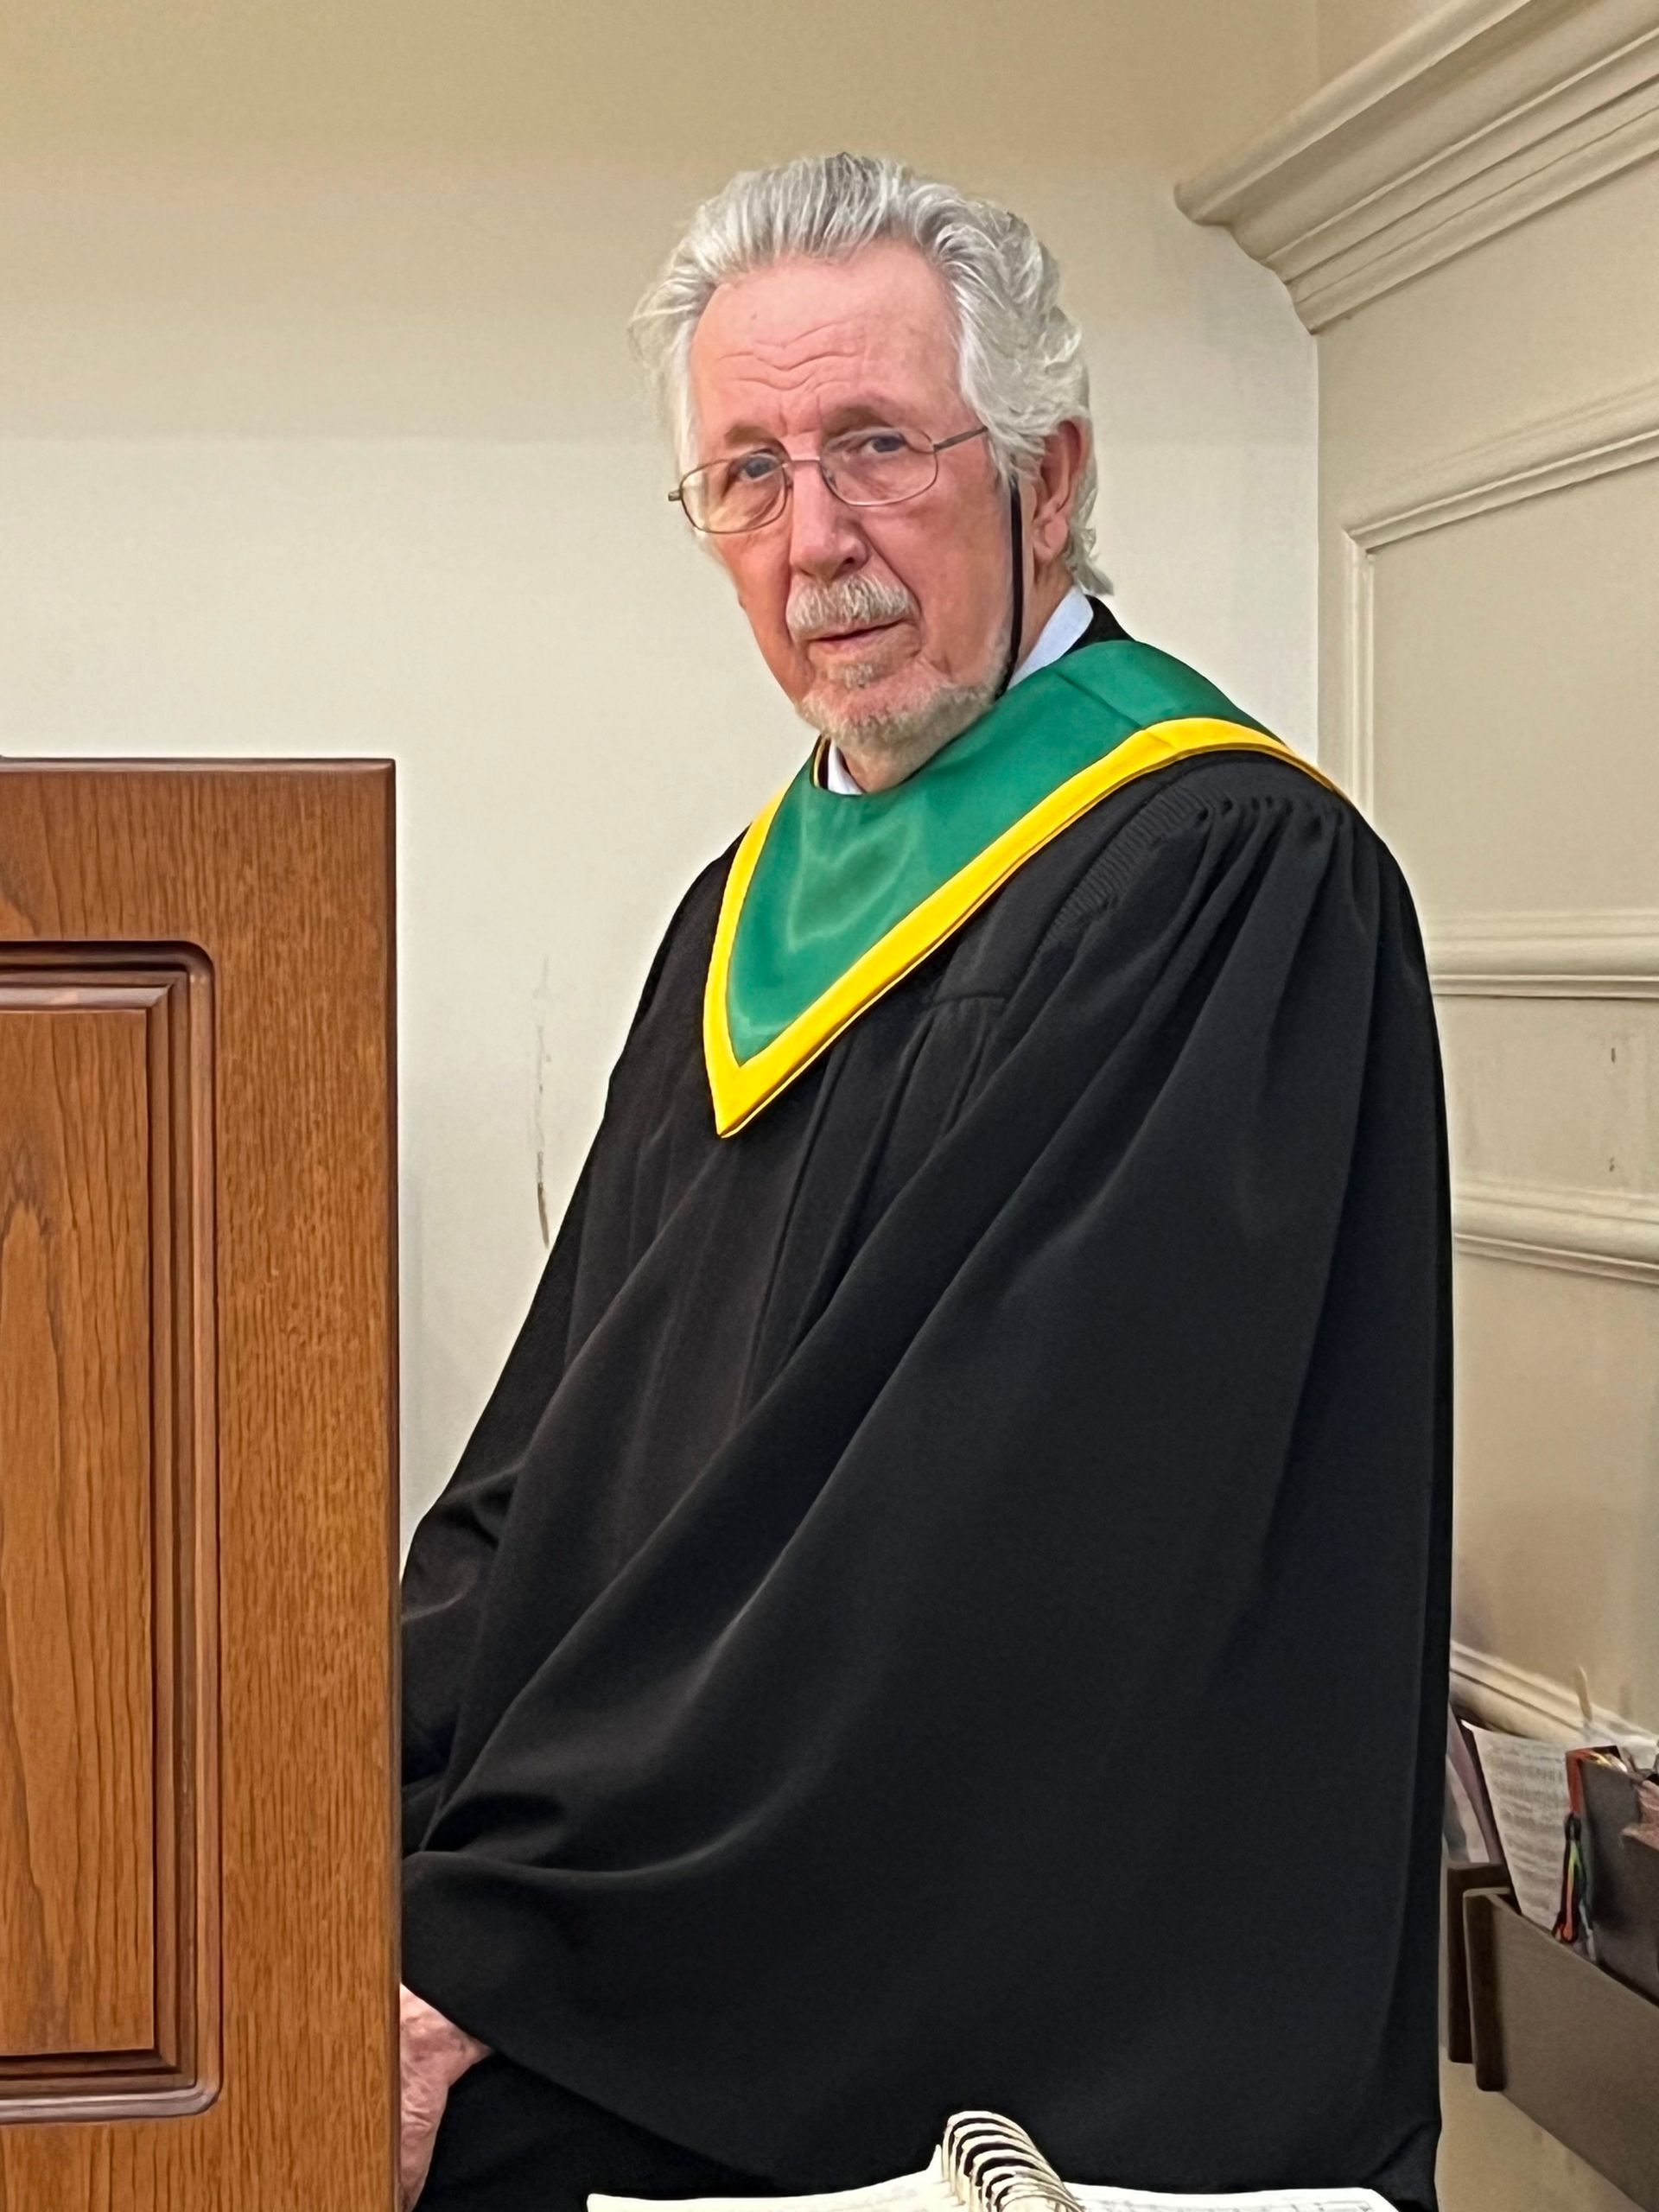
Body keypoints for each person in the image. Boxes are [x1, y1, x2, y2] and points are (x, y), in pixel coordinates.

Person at [397, 153, 1452, 2212]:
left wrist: (521, 1957)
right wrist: (344, 1803)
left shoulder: (1225, 880)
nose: (817, 542)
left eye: (876, 446)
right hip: (686, 1865)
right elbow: (561, 1459)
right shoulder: (744, 914)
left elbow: (989, 1554)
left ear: (1046, 479)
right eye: (748, 474)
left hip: (995, 1984)